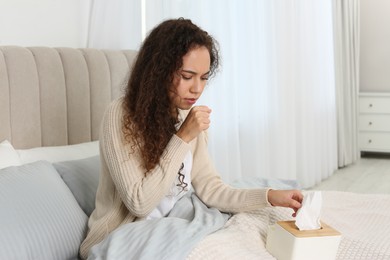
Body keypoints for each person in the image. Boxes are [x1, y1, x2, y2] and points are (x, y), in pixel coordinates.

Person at [80, 17, 303, 259]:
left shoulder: (186, 114)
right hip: (123, 235)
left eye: (204, 77)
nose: (197, 89)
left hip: (172, 222)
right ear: (159, 72)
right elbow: (139, 203)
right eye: (187, 76)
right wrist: (183, 135)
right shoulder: (120, 115)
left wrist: (269, 196)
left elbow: (211, 189)